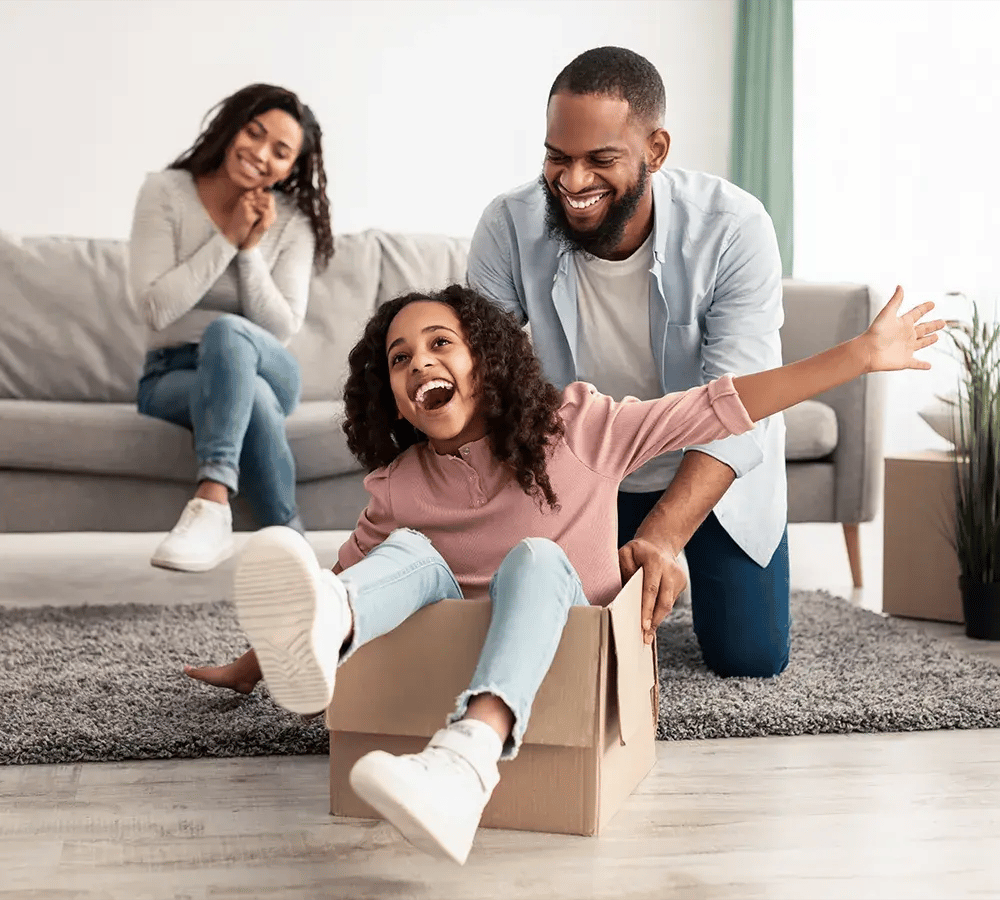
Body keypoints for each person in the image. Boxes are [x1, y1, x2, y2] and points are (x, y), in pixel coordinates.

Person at [225, 282, 941, 865]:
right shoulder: (398, 484)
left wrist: (858, 355)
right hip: (442, 644)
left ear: (487, 359)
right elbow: (358, 578)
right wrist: (260, 659)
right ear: (390, 394)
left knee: (535, 557)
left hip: (567, 645)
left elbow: (718, 408)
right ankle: (429, 741)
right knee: (406, 554)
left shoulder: (579, 427)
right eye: (399, 358)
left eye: (440, 344)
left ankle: (467, 760)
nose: (418, 364)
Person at [467, 46, 797, 677]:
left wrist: (666, 532)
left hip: (713, 466)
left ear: (657, 150)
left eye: (601, 159)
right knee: (558, 650)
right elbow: (487, 387)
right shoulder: (508, 225)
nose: (572, 181)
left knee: (749, 657)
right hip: (586, 470)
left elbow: (741, 403)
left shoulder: (733, 228)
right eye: (557, 157)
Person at [128, 83, 333, 573]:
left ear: (292, 168)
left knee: (228, 333)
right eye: (254, 133)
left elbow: (281, 326)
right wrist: (226, 238)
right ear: (231, 127)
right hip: (171, 375)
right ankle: (294, 553)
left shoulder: (293, 223)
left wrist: (249, 252)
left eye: (280, 151)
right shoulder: (165, 192)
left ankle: (212, 500)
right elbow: (157, 308)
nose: (260, 154)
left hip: (266, 363)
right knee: (255, 401)